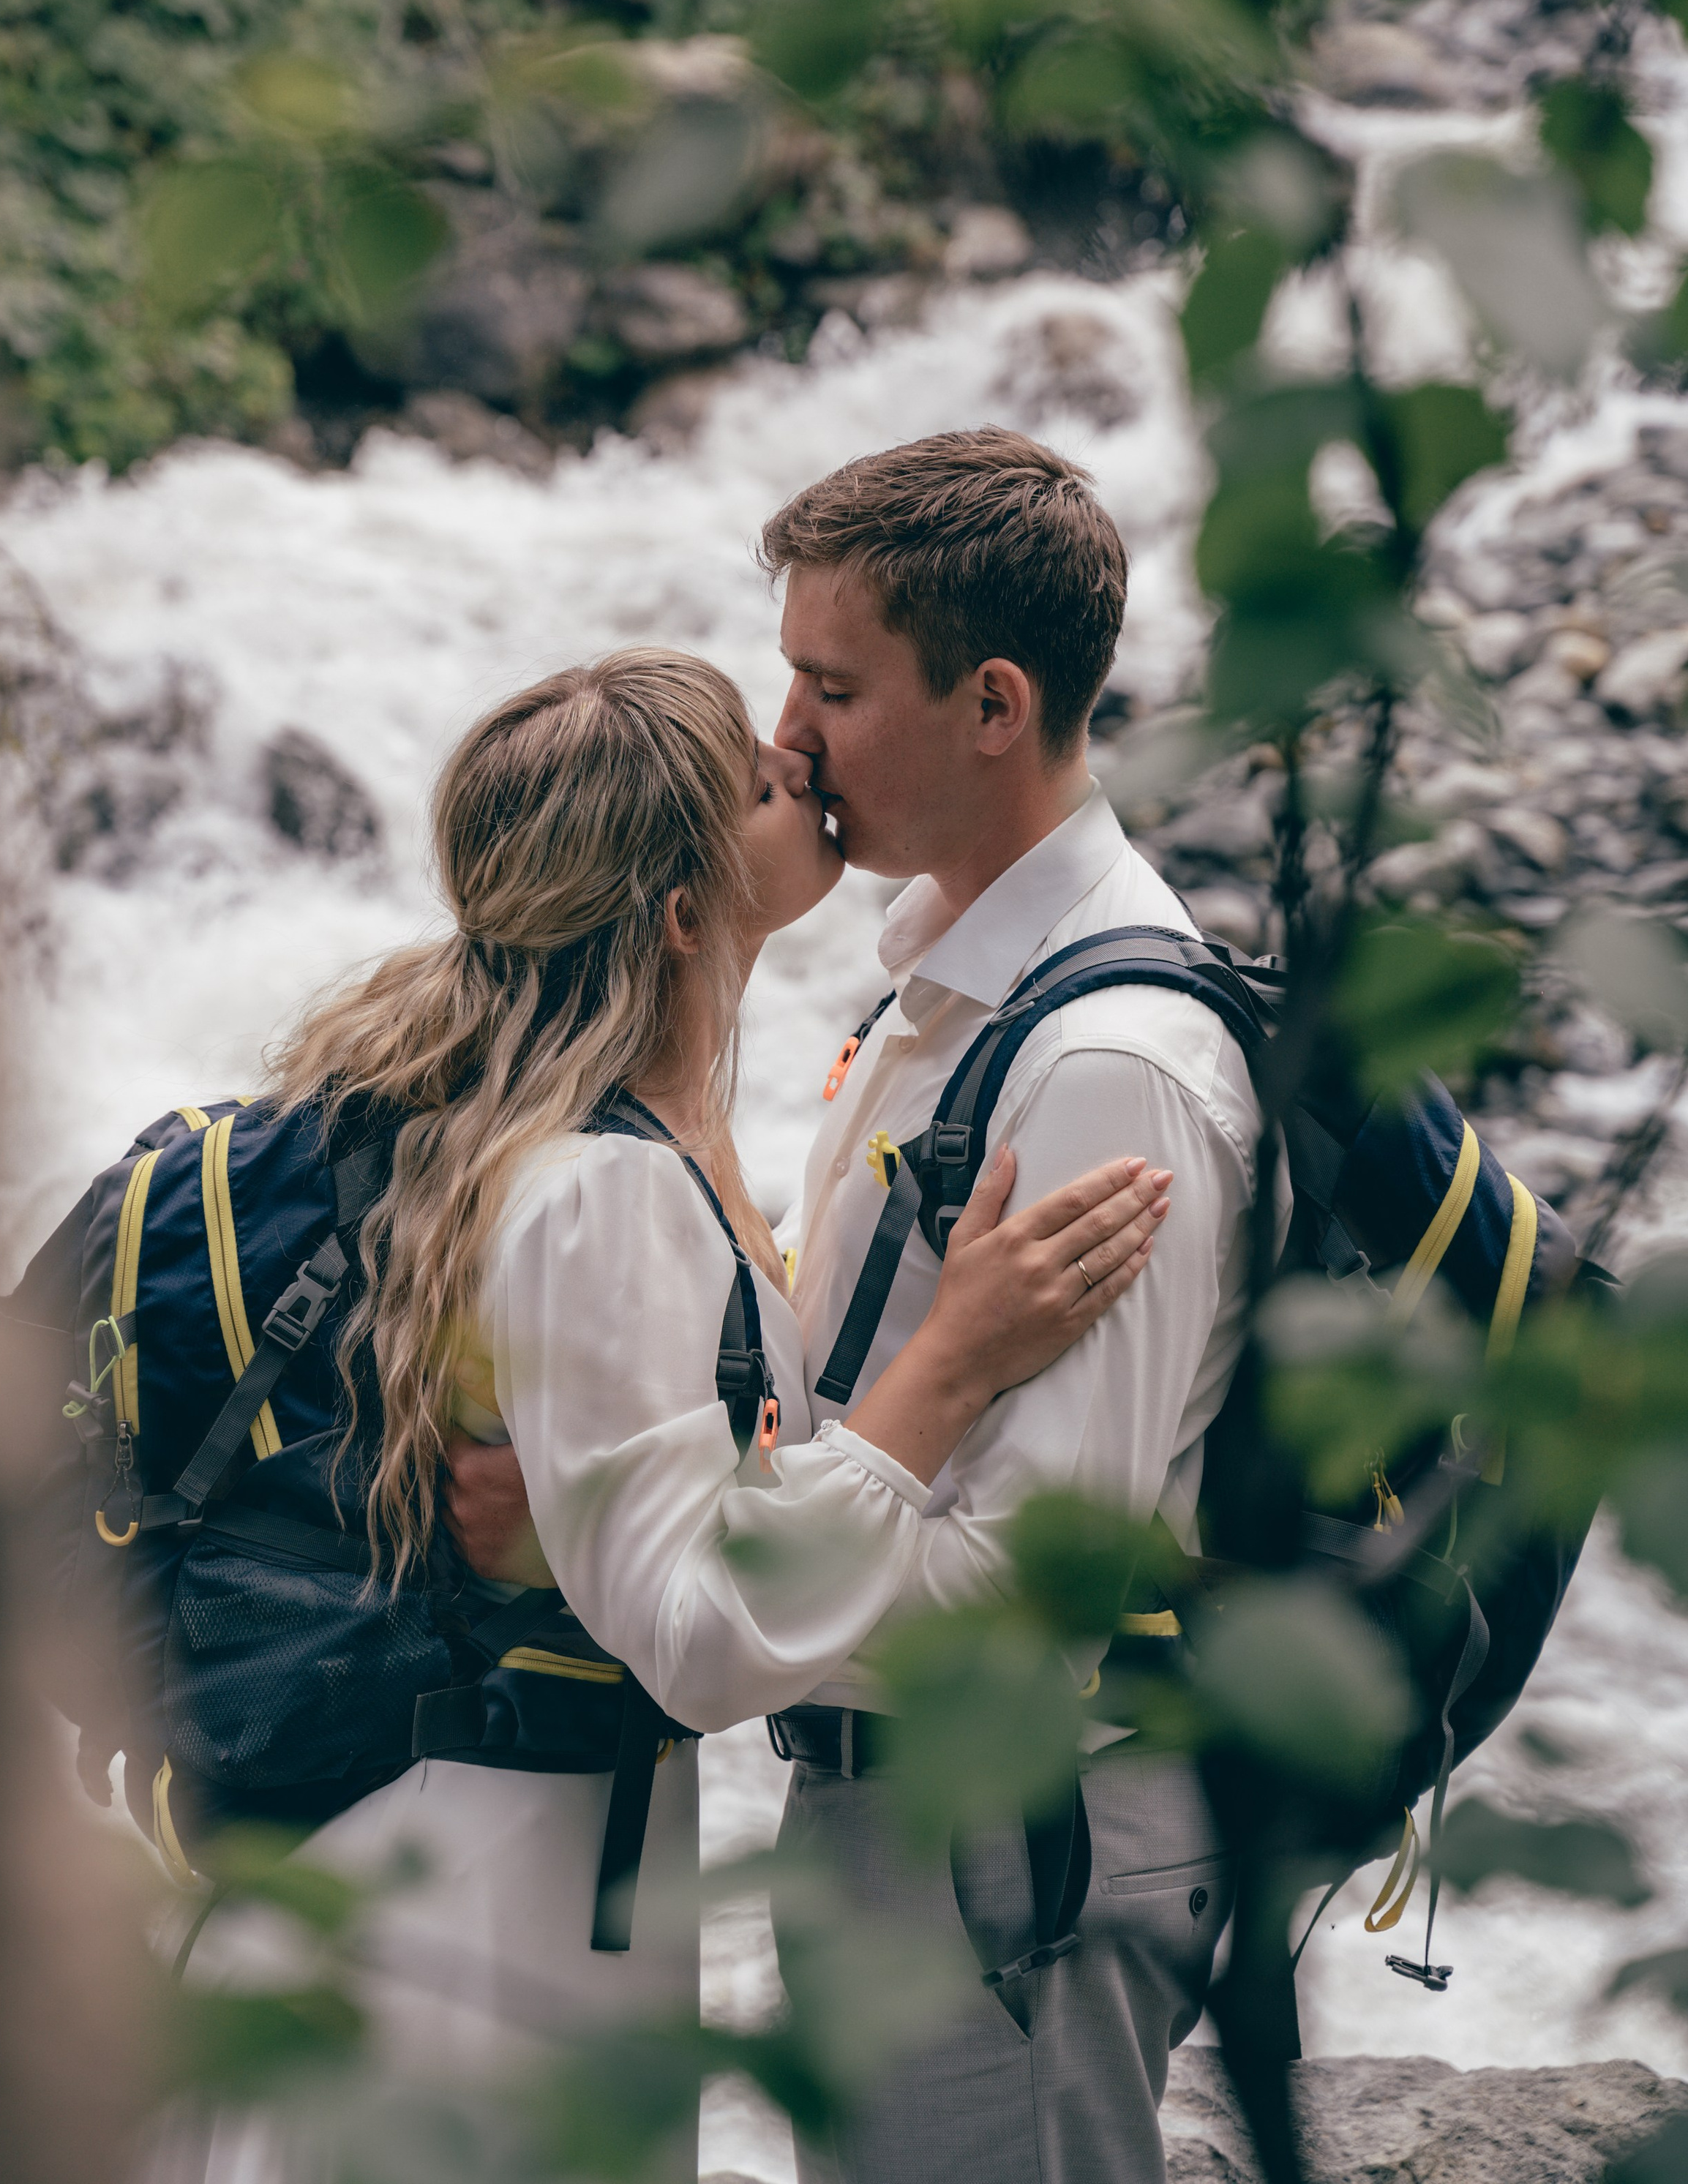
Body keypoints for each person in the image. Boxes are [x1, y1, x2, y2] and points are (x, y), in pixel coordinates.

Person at [174, 646, 1166, 2179]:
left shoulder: (577, 1121)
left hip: (468, 1847)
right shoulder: (607, 1188)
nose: (801, 757)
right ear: (685, 915)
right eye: (761, 781)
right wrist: (951, 1365)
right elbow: (699, 1639)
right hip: (482, 1895)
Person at [451, 430, 1271, 2184]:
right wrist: (630, 1520)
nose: (788, 738)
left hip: (1010, 1837)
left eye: (831, 687)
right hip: (893, 1814)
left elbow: (1029, 1606)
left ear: (992, 706)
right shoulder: (940, 996)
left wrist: (689, 1591)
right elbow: (848, 1415)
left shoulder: (1105, 1070)